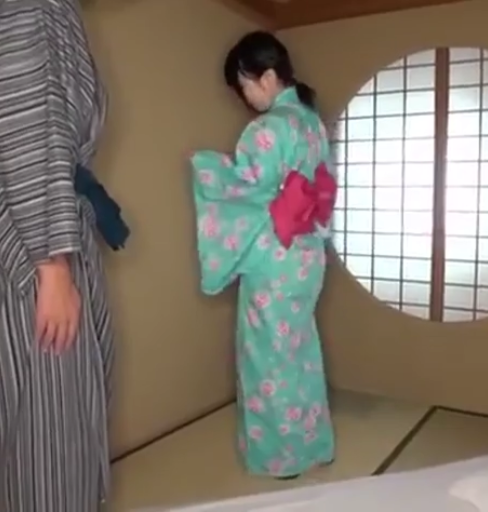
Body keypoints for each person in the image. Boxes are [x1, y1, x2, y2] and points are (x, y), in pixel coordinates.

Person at [0, 0, 115, 510]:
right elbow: (27, 125)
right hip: (33, 235)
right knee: (51, 424)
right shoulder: (31, 5)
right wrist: (52, 263)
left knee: (30, 411)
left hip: (19, 220)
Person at [189, 31, 337, 479]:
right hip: (307, 254)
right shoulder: (312, 124)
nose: (246, 97)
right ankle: (312, 444)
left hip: (276, 257)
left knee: (268, 359)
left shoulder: (269, 129)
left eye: (245, 86)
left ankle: (282, 457)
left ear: (267, 77)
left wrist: (207, 170)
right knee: (300, 352)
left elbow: (245, 187)